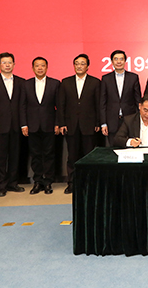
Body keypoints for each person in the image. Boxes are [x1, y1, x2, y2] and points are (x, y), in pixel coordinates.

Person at [57, 54, 101, 194]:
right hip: (71, 125)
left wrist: (98, 122)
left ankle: (89, 183)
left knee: (89, 156)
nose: (79, 66)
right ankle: (72, 183)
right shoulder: (65, 82)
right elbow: (61, 105)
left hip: (89, 125)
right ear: (74, 66)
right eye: (77, 63)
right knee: (72, 156)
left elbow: (98, 104)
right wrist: (62, 123)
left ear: (87, 66)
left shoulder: (95, 82)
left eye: (82, 63)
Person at [0, 52, 26, 197]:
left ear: (14, 64)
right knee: (1, 157)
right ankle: (1, 185)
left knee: (15, 156)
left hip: (16, 125)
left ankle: (13, 183)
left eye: (10, 62)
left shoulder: (21, 82)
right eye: (4, 63)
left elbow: (22, 105)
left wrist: (23, 124)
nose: (7, 65)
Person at [20, 57, 60, 195]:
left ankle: (48, 182)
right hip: (32, 126)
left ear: (47, 67)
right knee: (35, 155)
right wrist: (23, 124)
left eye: (42, 65)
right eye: (37, 66)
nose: (40, 68)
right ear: (33, 68)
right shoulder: (26, 84)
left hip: (49, 125)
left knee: (49, 154)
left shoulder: (55, 83)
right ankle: (37, 181)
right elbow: (22, 106)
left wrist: (57, 123)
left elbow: (59, 106)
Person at [100, 50, 142, 145]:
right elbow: (102, 103)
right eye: (116, 59)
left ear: (125, 61)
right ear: (112, 61)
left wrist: (139, 120)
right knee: (113, 148)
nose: (118, 62)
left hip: (130, 120)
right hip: (112, 122)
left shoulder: (133, 77)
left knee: (130, 147)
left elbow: (138, 100)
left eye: (121, 59)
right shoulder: (106, 79)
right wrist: (103, 123)